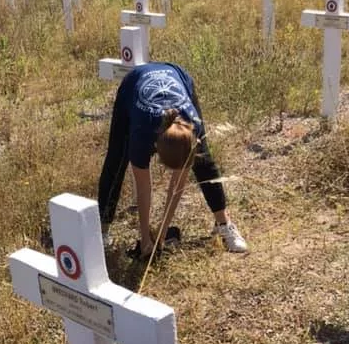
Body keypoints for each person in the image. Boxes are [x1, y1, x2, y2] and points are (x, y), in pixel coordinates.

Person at [98, 62, 248, 255]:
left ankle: (223, 224)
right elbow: (144, 188)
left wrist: (162, 232)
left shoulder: (192, 125)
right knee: (117, 157)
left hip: (177, 75)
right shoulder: (142, 133)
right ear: (155, 147)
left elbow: (176, 188)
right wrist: (145, 238)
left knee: (203, 159)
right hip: (133, 84)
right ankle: (102, 228)